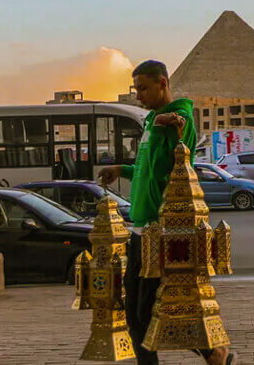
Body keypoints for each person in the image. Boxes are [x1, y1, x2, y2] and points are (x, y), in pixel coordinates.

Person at [97, 60, 233, 365]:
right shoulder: (153, 121)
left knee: (146, 313)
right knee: (134, 311)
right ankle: (214, 354)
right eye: (136, 89)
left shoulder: (178, 119)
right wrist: (123, 169)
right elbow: (147, 168)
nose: (138, 96)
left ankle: (213, 353)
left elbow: (168, 168)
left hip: (161, 230)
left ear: (163, 83)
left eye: (144, 88)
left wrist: (160, 131)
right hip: (140, 227)